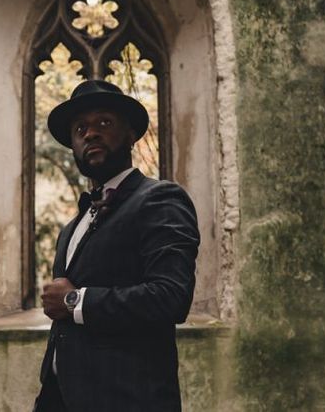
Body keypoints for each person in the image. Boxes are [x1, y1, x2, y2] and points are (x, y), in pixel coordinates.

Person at [33, 79, 200, 412]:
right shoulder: (71, 228)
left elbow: (171, 297)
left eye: (104, 123)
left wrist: (73, 299)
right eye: (80, 128)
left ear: (130, 135)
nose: (90, 133)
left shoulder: (159, 199)